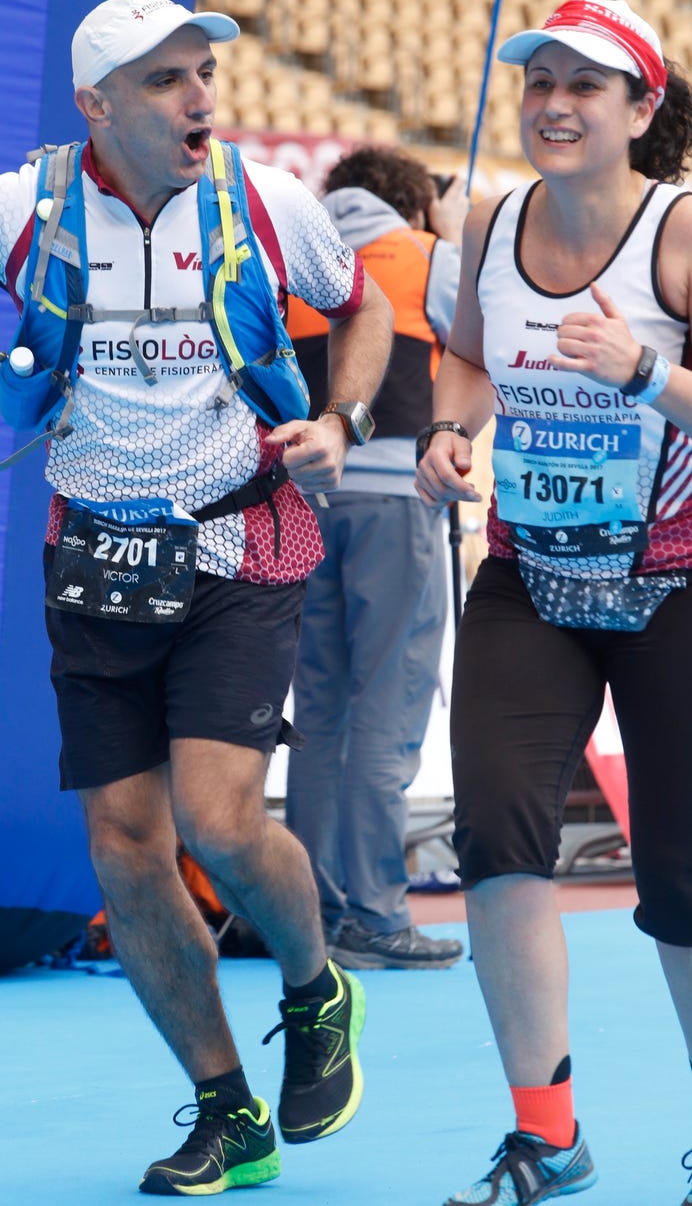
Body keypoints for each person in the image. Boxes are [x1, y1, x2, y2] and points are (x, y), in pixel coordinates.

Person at [0, 0, 394, 1196]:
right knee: (126, 851)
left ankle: (312, 982)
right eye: (168, 79)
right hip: (101, 561)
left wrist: (340, 418)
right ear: (97, 105)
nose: (199, 97)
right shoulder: (19, 205)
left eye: (202, 72)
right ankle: (229, 1111)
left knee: (219, 822)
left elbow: (363, 306)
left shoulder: (266, 201)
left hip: (238, 543)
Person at [415, 0, 692, 1204]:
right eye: (538, 82)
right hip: (528, 578)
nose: (553, 104)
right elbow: (468, 356)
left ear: (640, 110)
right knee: (496, 840)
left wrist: (642, 367)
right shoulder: (490, 223)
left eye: (585, 86)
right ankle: (546, 1133)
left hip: (676, 582)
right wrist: (445, 429)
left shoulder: (678, 236)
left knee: (682, 875)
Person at [285, 146, 468, 971]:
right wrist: (452, 228)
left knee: (320, 711)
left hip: (304, 502)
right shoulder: (427, 255)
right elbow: (484, 355)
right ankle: (376, 915)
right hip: (397, 501)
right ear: (411, 200)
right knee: (386, 709)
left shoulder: (298, 260)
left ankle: (311, 914)